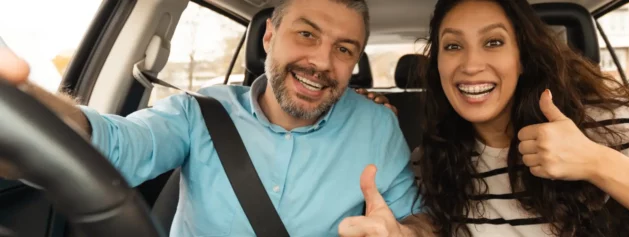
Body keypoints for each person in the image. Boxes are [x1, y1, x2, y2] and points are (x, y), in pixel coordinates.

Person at [0, 0, 433, 236]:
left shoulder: (378, 127)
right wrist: (20, 110)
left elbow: (415, 217)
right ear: (268, 36)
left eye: (343, 49)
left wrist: (405, 233)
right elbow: (111, 143)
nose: (322, 61)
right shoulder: (201, 112)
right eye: (307, 34)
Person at [357, 0, 629, 236]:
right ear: (438, 67)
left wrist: (597, 163)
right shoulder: (434, 159)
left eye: (494, 42)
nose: (471, 64)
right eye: (452, 47)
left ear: (522, 59)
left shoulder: (615, 127)